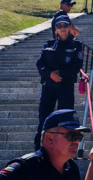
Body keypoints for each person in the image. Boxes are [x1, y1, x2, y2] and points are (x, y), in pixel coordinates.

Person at [34, 16, 83, 150]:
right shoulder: (48, 45)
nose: (62, 28)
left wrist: (60, 74)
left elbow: (76, 66)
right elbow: (40, 64)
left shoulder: (76, 45)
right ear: (55, 28)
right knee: (44, 119)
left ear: (69, 27)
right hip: (48, 86)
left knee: (66, 119)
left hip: (65, 86)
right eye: (59, 26)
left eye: (65, 25)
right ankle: (39, 149)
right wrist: (50, 74)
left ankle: (65, 148)